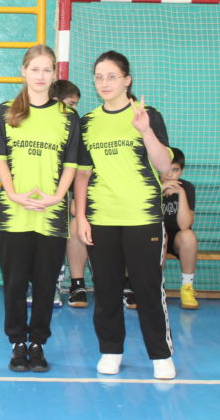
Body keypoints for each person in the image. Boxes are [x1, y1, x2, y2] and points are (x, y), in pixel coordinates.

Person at [73, 51, 176, 380]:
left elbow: (164, 165)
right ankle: (111, 350)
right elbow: (82, 174)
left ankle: (160, 355)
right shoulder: (88, 122)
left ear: (127, 80)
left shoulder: (148, 115)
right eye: (99, 77)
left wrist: (145, 131)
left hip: (142, 217)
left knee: (148, 288)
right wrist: (81, 217)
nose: (104, 83)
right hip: (102, 217)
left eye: (112, 76)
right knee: (106, 289)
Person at [0, 46, 79, 372]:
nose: (41, 76)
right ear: (23, 71)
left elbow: (71, 163)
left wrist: (58, 197)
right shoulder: (5, 112)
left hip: (51, 215)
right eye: (35, 69)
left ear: (54, 74)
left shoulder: (67, 116)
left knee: (45, 283)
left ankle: (38, 343)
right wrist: (13, 193)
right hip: (14, 214)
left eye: (47, 70)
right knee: (14, 284)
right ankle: (17, 343)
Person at [51, 79, 89, 308]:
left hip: (67, 192)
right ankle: (39, 283)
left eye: (76, 104)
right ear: (56, 101)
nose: (75, 109)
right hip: (43, 191)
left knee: (64, 232)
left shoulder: (75, 128)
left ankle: (61, 283)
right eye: (71, 103)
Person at [161, 148, 199, 309]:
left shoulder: (187, 187)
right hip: (155, 238)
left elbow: (184, 225)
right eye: (166, 169)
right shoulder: (150, 184)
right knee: (160, 233)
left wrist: (181, 194)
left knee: (188, 236)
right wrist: (159, 191)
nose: (170, 175)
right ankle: (156, 286)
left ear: (181, 171)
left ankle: (187, 287)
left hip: (177, 240)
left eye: (175, 170)